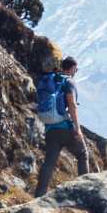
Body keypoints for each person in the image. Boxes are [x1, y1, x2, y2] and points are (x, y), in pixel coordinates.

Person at [34, 55, 92, 195]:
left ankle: (39, 195)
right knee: (83, 154)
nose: (75, 72)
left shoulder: (52, 79)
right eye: (76, 70)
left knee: (49, 162)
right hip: (66, 127)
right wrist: (77, 128)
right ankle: (84, 191)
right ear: (72, 68)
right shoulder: (69, 82)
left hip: (50, 127)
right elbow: (71, 104)